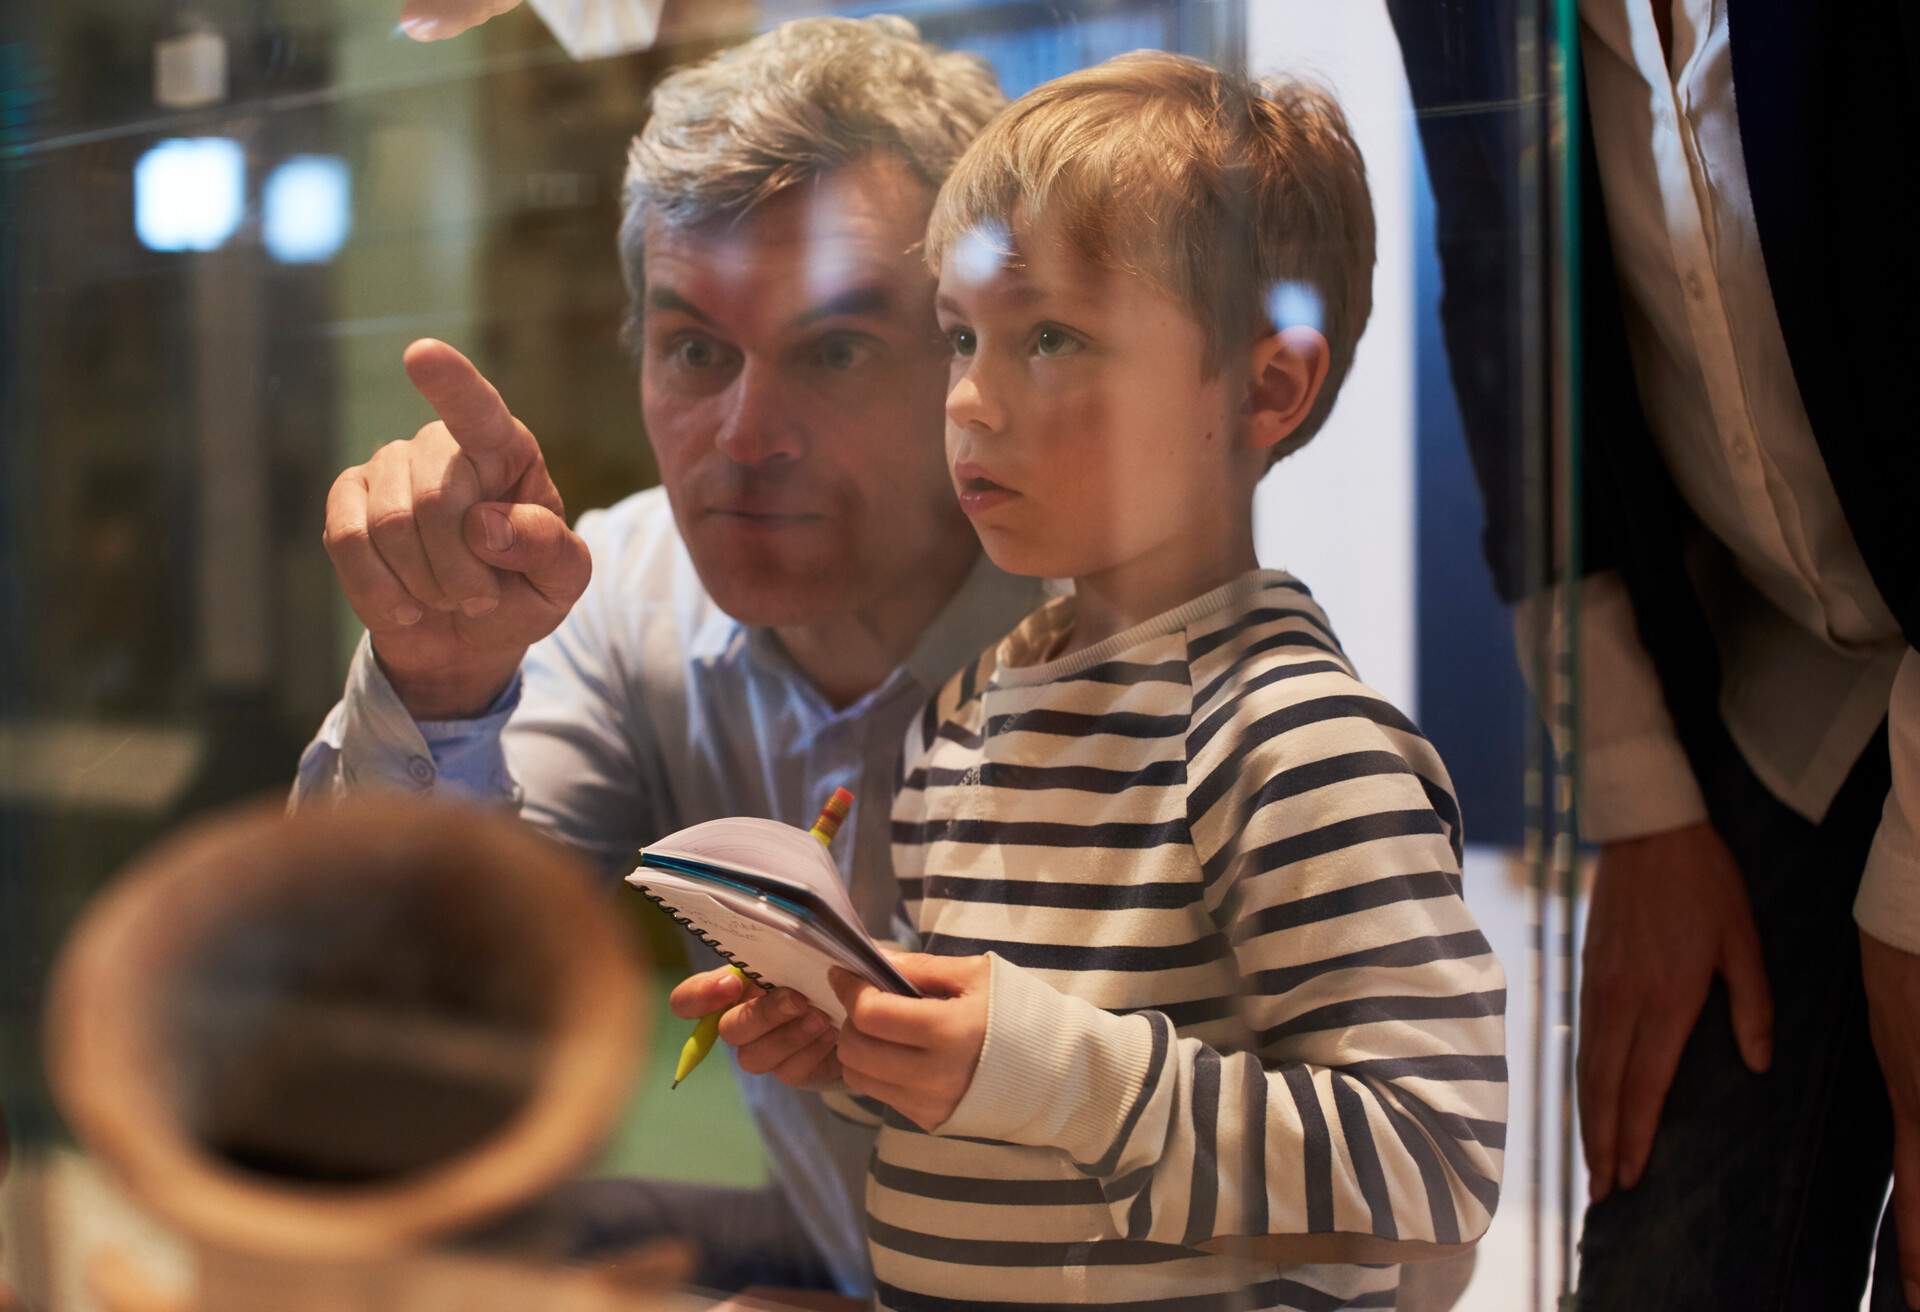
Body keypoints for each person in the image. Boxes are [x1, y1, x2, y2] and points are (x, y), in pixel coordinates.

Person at [695, 52, 1508, 1310]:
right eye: (962, 338)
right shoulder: (966, 719)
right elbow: (1019, 1110)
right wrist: (864, 1042)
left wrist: (1042, 1071)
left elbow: (1433, 1164)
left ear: (1265, 387)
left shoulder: (1293, 741)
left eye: (1051, 338)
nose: (969, 399)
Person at [295, 16, 1036, 1297]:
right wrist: (440, 690)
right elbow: (397, 1018)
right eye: (696, 348)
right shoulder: (623, 585)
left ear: (968, 361)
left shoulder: (1121, 617)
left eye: (838, 350)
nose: (745, 439)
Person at [1388, 1, 1920, 1306]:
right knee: (1668, 1252)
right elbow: (1504, 321)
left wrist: (1911, 916)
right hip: (1767, 670)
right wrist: (1641, 799)